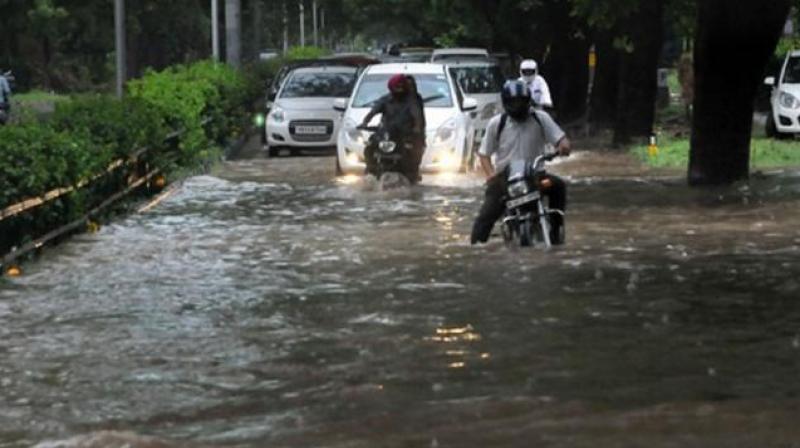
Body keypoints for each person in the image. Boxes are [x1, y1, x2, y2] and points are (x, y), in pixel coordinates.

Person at [471, 80, 570, 245]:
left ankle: (555, 229)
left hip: (536, 176)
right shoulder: (497, 123)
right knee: (485, 218)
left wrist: (563, 147)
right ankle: (475, 249)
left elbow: (561, 139)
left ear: (528, 101)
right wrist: (490, 175)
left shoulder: (541, 118)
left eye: (521, 101)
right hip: (505, 179)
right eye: (514, 102)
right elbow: (484, 154)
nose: (517, 106)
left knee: (558, 186)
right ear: (506, 103)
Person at [360, 74, 425, 182]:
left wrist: (417, 128)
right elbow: (373, 112)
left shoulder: (411, 101)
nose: (399, 90)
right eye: (396, 87)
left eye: (401, 87)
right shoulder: (385, 100)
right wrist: (365, 122)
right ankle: (370, 169)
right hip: (386, 134)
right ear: (391, 88)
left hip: (405, 135)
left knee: (412, 150)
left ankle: (412, 173)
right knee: (369, 145)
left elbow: (417, 116)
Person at [405, 75, 426, 181]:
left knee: (416, 154)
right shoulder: (395, 99)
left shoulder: (417, 98)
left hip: (415, 134)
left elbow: (420, 116)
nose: (409, 88)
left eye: (411, 85)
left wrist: (418, 128)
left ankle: (414, 172)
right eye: (407, 85)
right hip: (399, 132)